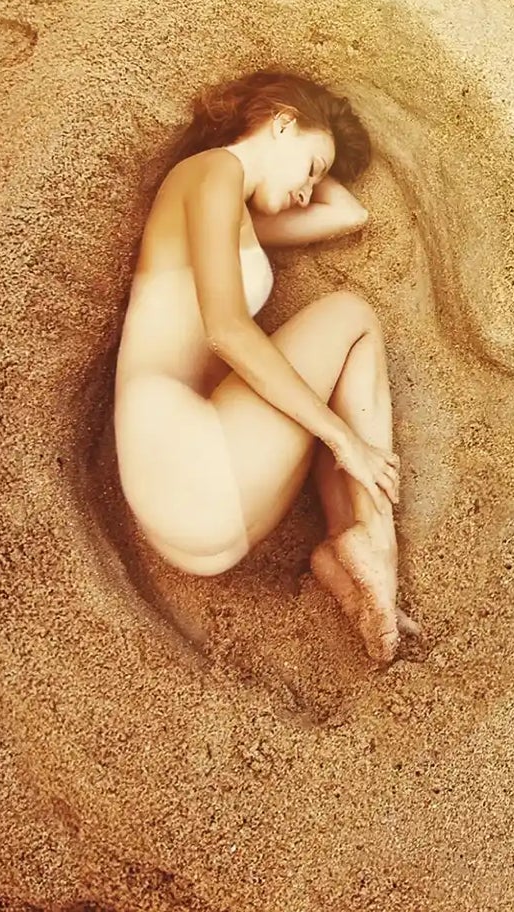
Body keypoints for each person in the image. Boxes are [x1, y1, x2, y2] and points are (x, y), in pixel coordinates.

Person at [112, 70, 418, 663]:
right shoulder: (211, 173)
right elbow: (227, 330)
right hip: (181, 455)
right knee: (352, 316)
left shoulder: (238, 217)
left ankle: (346, 543)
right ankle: (375, 545)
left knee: (332, 365)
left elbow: (348, 215)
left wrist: (312, 160)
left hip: (204, 519)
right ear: (280, 122)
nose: (309, 191)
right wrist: (344, 440)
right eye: (310, 170)